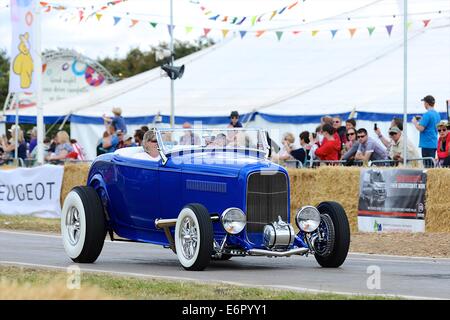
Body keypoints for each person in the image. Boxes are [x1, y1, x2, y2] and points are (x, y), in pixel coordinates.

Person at [412, 95, 441, 167]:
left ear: (426, 103)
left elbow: (421, 128)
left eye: (424, 102)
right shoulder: (437, 114)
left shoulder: (427, 114)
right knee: (431, 165)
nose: (424, 104)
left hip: (426, 144)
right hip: (434, 143)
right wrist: (422, 119)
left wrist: (415, 122)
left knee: (427, 166)